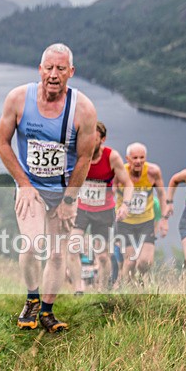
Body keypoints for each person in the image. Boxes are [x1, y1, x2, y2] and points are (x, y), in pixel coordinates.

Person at [0, 42, 97, 332]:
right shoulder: (18, 99)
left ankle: (48, 312)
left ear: (71, 72)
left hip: (64, 191)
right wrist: (24, 183)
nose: (54, 74)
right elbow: (2, 143)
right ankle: (32, 299)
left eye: (61, 69)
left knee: (56, 254)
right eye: (49, 68)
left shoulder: (84, 109)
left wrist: (68, 200)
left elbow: (85, 157)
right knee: (30, 244)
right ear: (40, 69)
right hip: (32, 189)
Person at [66, 121, 133, 294]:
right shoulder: (77, 155)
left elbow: (128, 183)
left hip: (104, 212)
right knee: (72, 248)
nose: (89, 142)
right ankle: (78, 289)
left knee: (103, 256)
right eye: (86, 138)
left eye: (94, 139)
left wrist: (125, 205)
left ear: (103, 139)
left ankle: (102, 291)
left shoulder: (111, 157)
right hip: (81, 209)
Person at [113, 142, 169, 284]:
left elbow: (162, 194)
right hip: (125, 223)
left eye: (142, 158)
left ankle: (140, 281)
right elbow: (109, 192)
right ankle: (128, 291)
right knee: (130, 261)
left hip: (146, 222)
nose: (138, 161)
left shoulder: (153, 172)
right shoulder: (119, 172)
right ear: (127, 158)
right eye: (135, 158)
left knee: (145, 262)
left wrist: (164, 219)